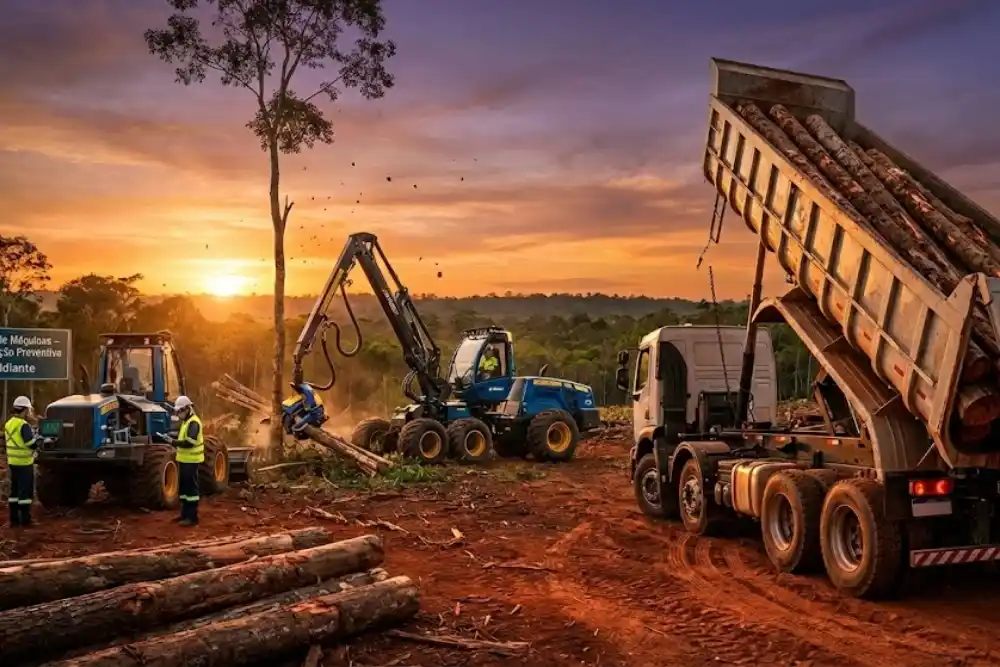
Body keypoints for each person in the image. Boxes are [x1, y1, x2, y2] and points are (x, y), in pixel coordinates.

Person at [4, 396, 39, 528]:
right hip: (24, 463)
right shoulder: (23, 425)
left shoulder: (9, 423)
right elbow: (30, 443)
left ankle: (14, 519)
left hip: (12, 462)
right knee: (25, 492)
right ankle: (26, 520)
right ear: (24, 410)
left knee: (14, 491)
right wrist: (38, 443)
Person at [171, 395, 203, 526]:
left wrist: (173, 442)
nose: (178, 414)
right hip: (184, 460)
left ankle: (192, 517)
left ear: (186, 409)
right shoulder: (186, 422)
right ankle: (184, 515)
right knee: (184, 490)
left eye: (180, 411)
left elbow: (190, 442)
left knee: (191, 490)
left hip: (192, 460)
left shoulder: (194, 422)